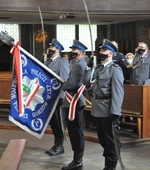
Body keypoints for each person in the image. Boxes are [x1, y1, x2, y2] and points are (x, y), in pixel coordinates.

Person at [83, 39, 124, 170]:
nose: (101, 53)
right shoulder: (98, 68)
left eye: (104, 50)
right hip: (97, 108)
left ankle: (111, 165)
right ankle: (108, 163)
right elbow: (86, 83)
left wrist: (115, 112)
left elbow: (118, 92)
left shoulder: (115, 70)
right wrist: (89, 67)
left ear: (111, 53)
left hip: (108, 109)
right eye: (100, 50)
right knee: (102, 138)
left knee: (110, 140)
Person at [61, 39, 87, 170]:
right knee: (74, 130)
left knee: (76, 131)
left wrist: (63, 85)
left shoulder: (79, 65)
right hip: (72, 99)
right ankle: (76, 159)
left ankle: (78, 160)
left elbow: (72, 84)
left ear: (81, 52)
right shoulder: (75, 63)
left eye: (74, 50)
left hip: (75, 100)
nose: (71, 52)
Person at [44, 38, 70, 156]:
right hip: (49, 97)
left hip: (58, 97)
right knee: (53, 122)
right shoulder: (48, 62)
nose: (50, 49)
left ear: (57, 49)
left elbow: (64, 80)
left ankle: (60, 145)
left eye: (52, 47)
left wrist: (61, 97)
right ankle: (56, 144)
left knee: (59, 122)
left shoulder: (62, 62)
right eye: (49, 47)